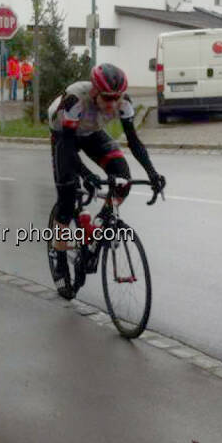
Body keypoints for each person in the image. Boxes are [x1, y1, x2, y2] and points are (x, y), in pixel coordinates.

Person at [47, 63, 166, 299]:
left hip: (91, 133)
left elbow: (133, 141)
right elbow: (68, 147)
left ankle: (98, 228)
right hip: (64, 135)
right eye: (107, 98)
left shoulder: (124, 103)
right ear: (94, 93)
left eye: (116, 98)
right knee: (68, 198)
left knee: (123, 179)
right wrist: (86, 174)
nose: (112, 103)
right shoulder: (75, 100)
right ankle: (60, 260)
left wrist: (152, 173)